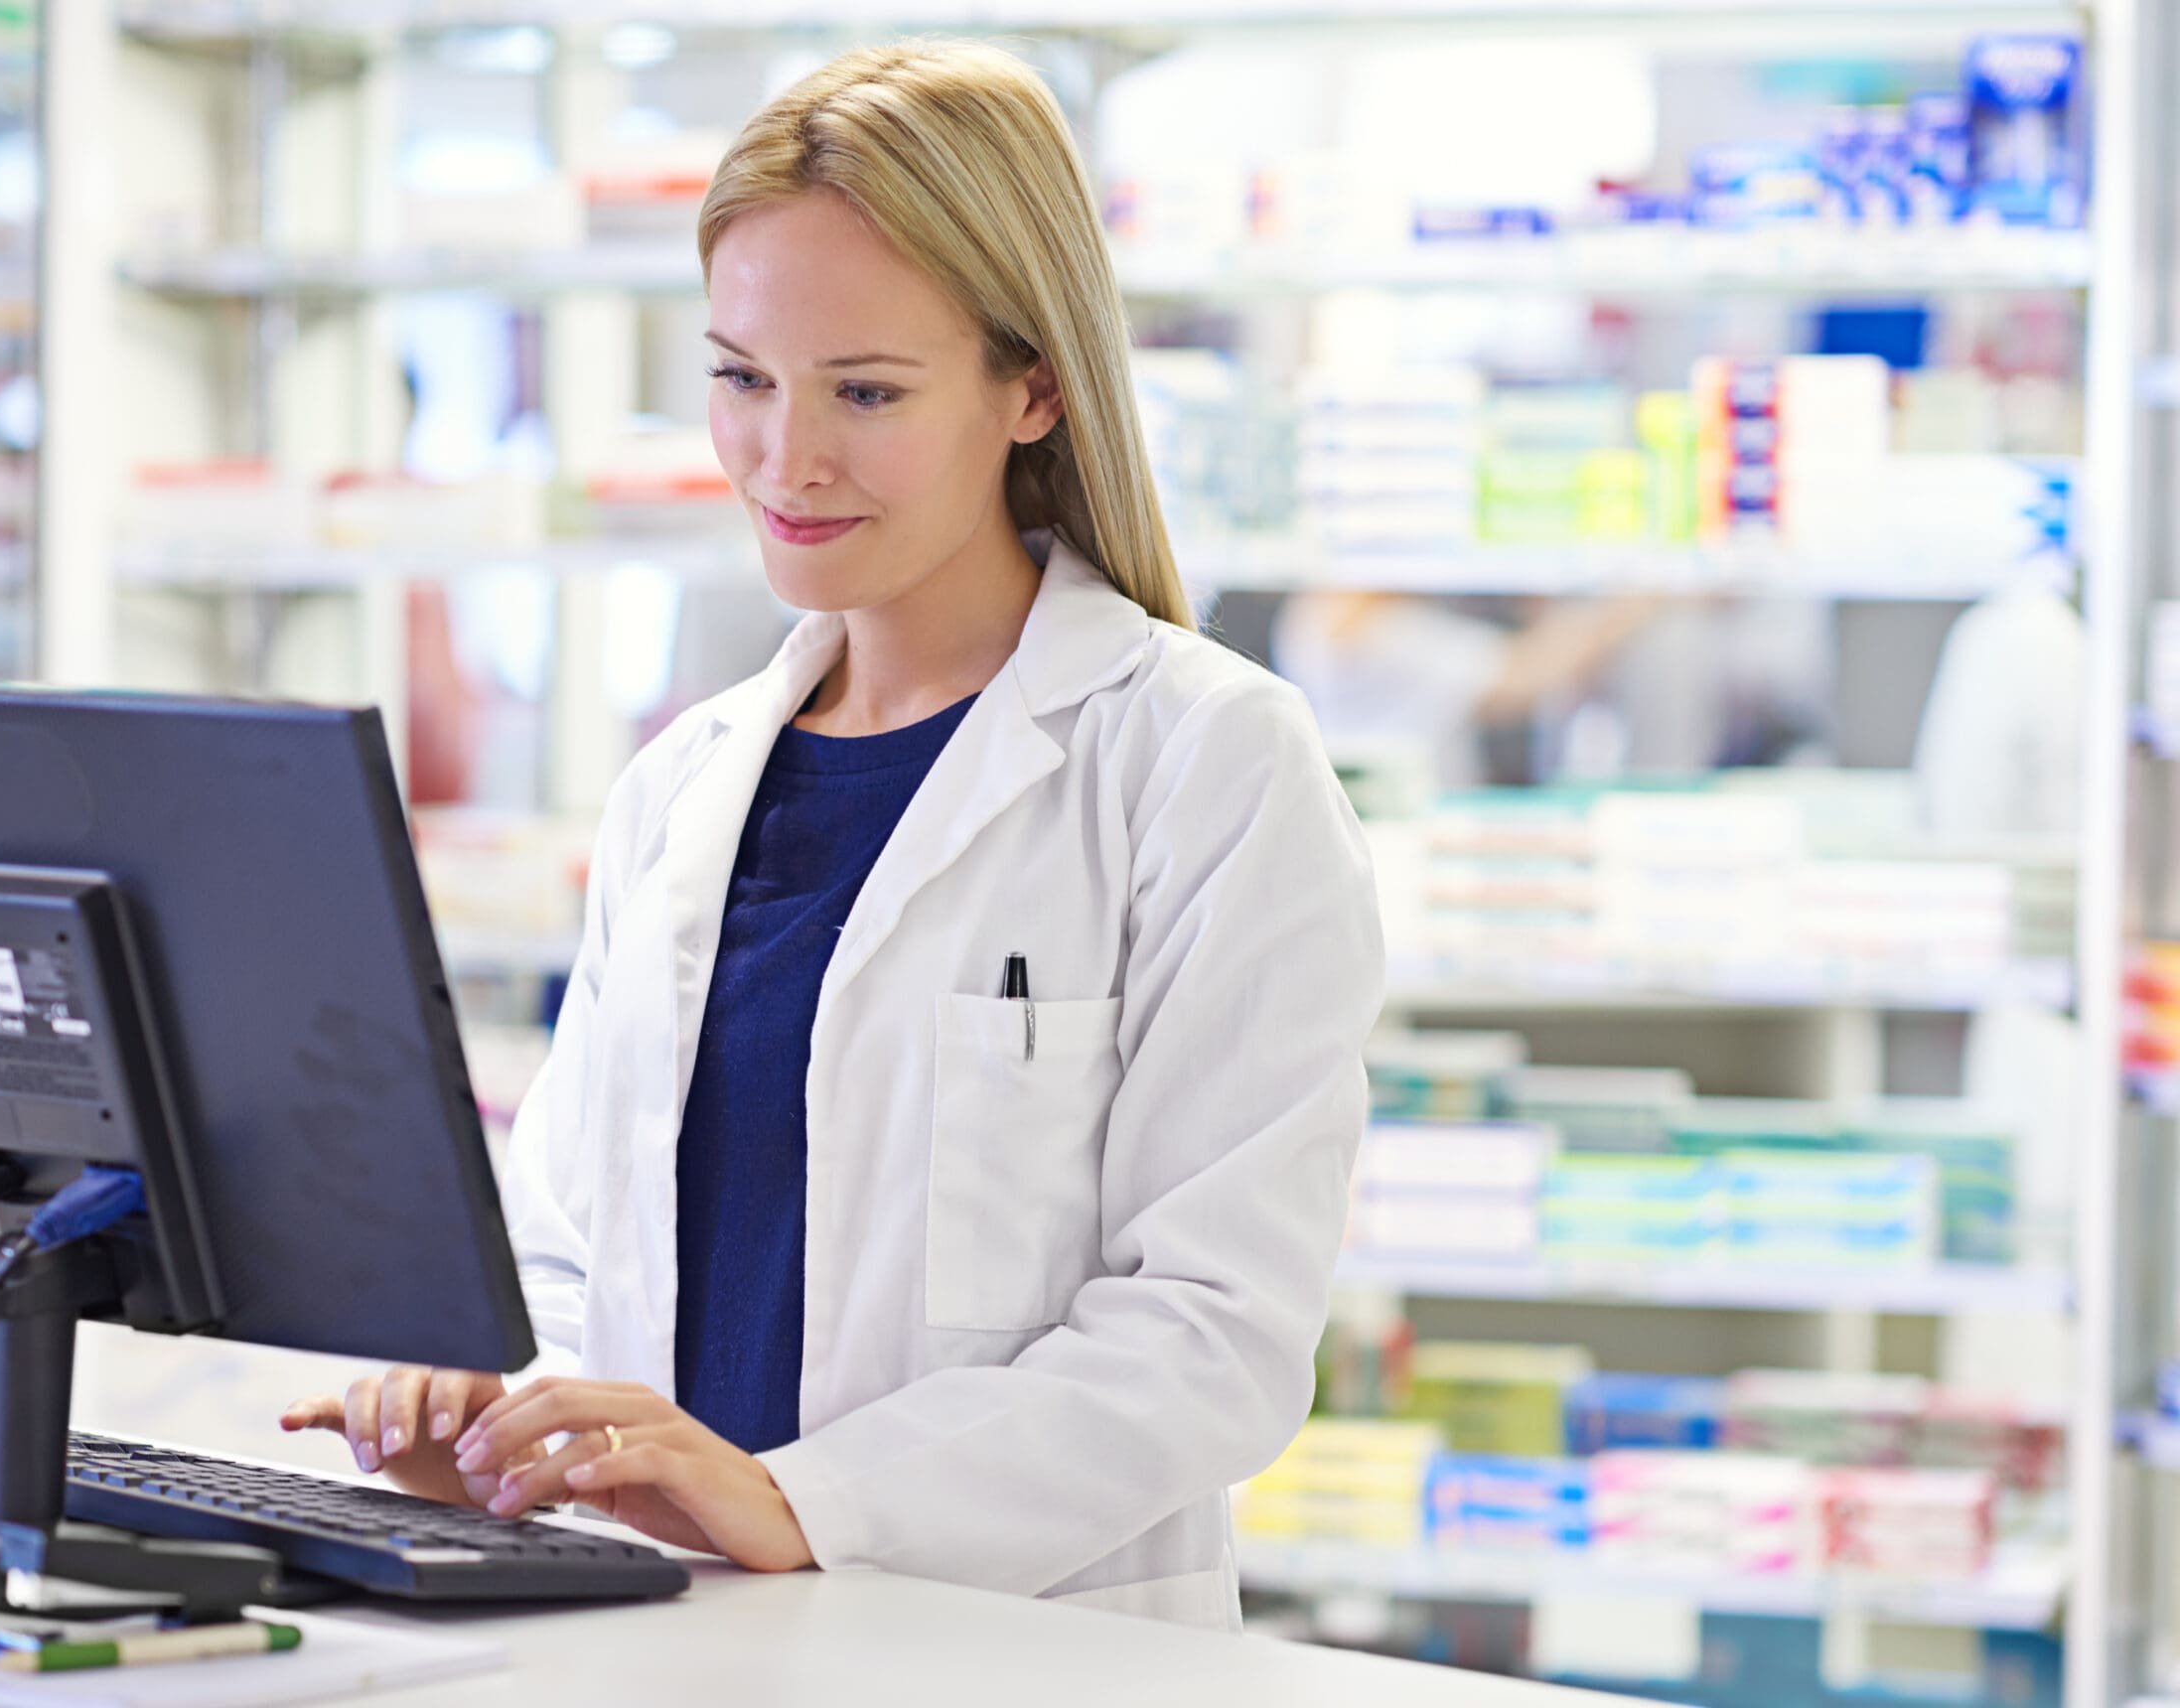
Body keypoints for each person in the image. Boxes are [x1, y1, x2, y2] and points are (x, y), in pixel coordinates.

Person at [279, 39, 1382, 1629]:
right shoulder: (686, 784)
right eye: (741, 378)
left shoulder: (1203, 765)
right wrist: (508, 1413)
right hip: (666, 1637)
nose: (783, 460)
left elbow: (1214, 1335)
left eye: (865, 392)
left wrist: (803, 1503)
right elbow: (576, 1249)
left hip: (1008, 1651)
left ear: (1034, 385)